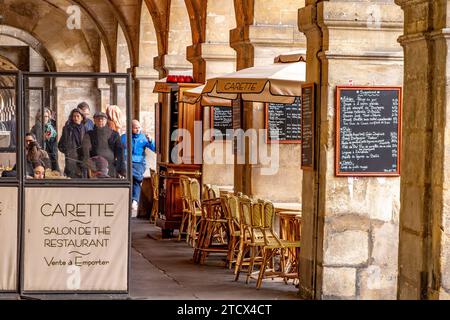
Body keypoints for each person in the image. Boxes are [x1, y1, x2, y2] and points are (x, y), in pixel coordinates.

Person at [121, 120, 156, 211]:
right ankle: (133, 200)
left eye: (139, 127)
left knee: (134, 179)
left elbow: (155, 149)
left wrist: (151, 141)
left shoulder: (144, 138)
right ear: (130, 128)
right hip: (127, 162)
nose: (138, 129)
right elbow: (118, 149)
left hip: (139, 163)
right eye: (135, 127)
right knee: (135, 180)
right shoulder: (124, 137)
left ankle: (134, 201)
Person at [82, 111, 125, 178]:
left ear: (106, 120)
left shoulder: (114, 134)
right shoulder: (89, 134)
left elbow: (120, 151)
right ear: (94, 121)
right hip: (95, 167)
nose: (100, 120)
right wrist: (89, 164)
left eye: (103, 119)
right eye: (98, 119)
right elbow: (86, 150)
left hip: (110, 167)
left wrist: (121, 169)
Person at [58, 108, 87, 178]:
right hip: (71, 159)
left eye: (78, 116)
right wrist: (68, 151)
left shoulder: (85, 128)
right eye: (74, 116)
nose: (76, 118)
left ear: (82, 117)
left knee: (83, 180)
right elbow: (60, 145)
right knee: (72, 179)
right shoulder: (67, 128)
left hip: (83, 158)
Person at [31, 107, 59, 172]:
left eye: (46, 116)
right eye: (42, 116)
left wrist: (49, 139)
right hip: (40, 155)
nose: (44, 118)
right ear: (38, 117)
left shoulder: (51, 128)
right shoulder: (36, 127)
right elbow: (34, 142)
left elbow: (54, 143)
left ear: (49, 117)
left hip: (51, 155)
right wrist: (42, 138)